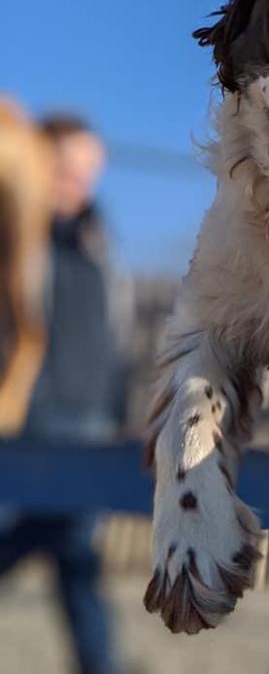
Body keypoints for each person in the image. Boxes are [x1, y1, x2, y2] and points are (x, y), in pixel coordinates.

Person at [0, 114, 127, 674]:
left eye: (88, 171)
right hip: (24, 423)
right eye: (65, 168)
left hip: (90, 425)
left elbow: (114, 334)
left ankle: (100, 666)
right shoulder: (15, 243)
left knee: (77, 558)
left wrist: (118, 411)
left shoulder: (100, 240)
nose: (78, 182)